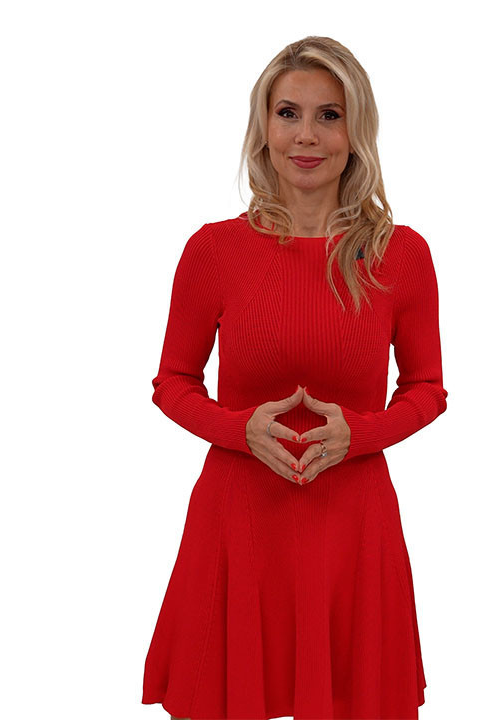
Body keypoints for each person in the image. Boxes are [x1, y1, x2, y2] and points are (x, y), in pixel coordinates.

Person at [140, 36, 448, 720]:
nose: (306, 135)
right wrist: (238, 430)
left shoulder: (401, 255)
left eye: (329, 115)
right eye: (288, 113)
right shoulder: (213, 250)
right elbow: (173, 380)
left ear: (355, 131)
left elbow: (427, 388)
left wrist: (361, 435)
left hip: (352, 526)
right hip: (239, 521)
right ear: (264, 127)